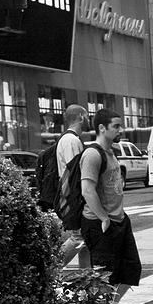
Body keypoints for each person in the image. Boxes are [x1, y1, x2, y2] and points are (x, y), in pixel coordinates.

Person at [79, 109, 141, 304]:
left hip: (119, 220)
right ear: (101, 128)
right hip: (100, 223)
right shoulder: (92, 154)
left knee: (131, 269)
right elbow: (87, 190)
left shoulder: (111, 152)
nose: (120, 130)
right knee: (104, 276)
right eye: (116, 126)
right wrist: (104, 218)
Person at [56, 104, 91, 268]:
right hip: (73, 197)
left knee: (86, 239)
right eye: (88, 116)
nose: (89, 120)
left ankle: (88, 280)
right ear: (81, 117)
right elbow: (76, 174)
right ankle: (52, 267)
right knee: (79, 237)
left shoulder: (70, 139)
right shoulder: (71, 141)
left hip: (74, 196)